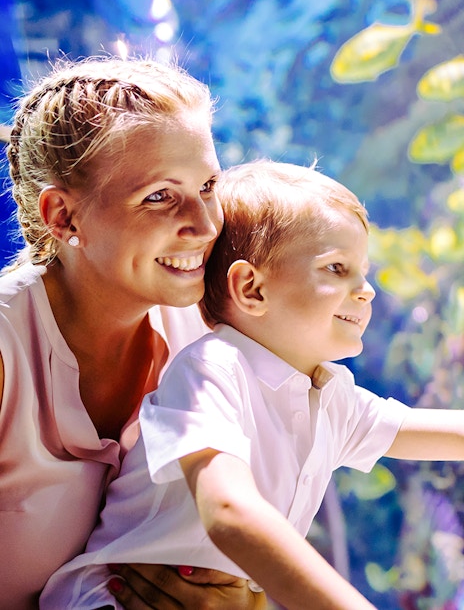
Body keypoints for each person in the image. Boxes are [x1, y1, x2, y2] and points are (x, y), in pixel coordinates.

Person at [40, 159, 464, 610]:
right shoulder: (211, 371)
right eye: (337, 268)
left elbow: (430, 431)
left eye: (364, 271)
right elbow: (228, 512)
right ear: (251, 289)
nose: (367, 290)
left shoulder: (331, 396)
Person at [0, 56, 266, 610]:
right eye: (159, 195)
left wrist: (244, 602)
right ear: (63, 216)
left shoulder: (215, 326)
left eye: (208, 186)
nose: (205, 224)